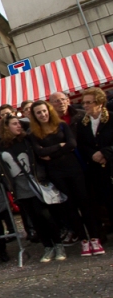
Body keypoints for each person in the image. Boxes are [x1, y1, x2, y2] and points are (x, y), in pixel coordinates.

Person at [29, 100, 103, 255]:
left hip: (74, 169)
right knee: (70, 207)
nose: (43, 114)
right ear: (34, 116)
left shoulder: (62, 125)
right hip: (56, 174)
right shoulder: (34, 133)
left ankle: (94, 238)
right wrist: (59, 146)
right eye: (38, 112)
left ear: (49, 110)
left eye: (44, 111)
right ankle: (83, 240)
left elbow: (72, 144)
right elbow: (40, 152)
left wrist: (51, 153)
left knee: (85, 203)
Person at [0, 115, 66, 263]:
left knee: (44, 214)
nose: (19, 126)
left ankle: (58, 244)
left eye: (19, 123)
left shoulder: (27, 139)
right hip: (18, 186)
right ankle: (47, 246)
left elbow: (38, 154)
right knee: (34, 218)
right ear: (6, 127)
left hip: (35, 182)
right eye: (14, 124)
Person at [76, 87, 113, 247]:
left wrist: (105, 152)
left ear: (100, 103)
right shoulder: (82, 124)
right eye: (83, 103)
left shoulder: (111, 118)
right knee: (102, 202)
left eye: (89, 102)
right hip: (95, 170)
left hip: (111, 166)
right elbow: (82, 145)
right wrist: (93, 154)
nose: (85, 106)